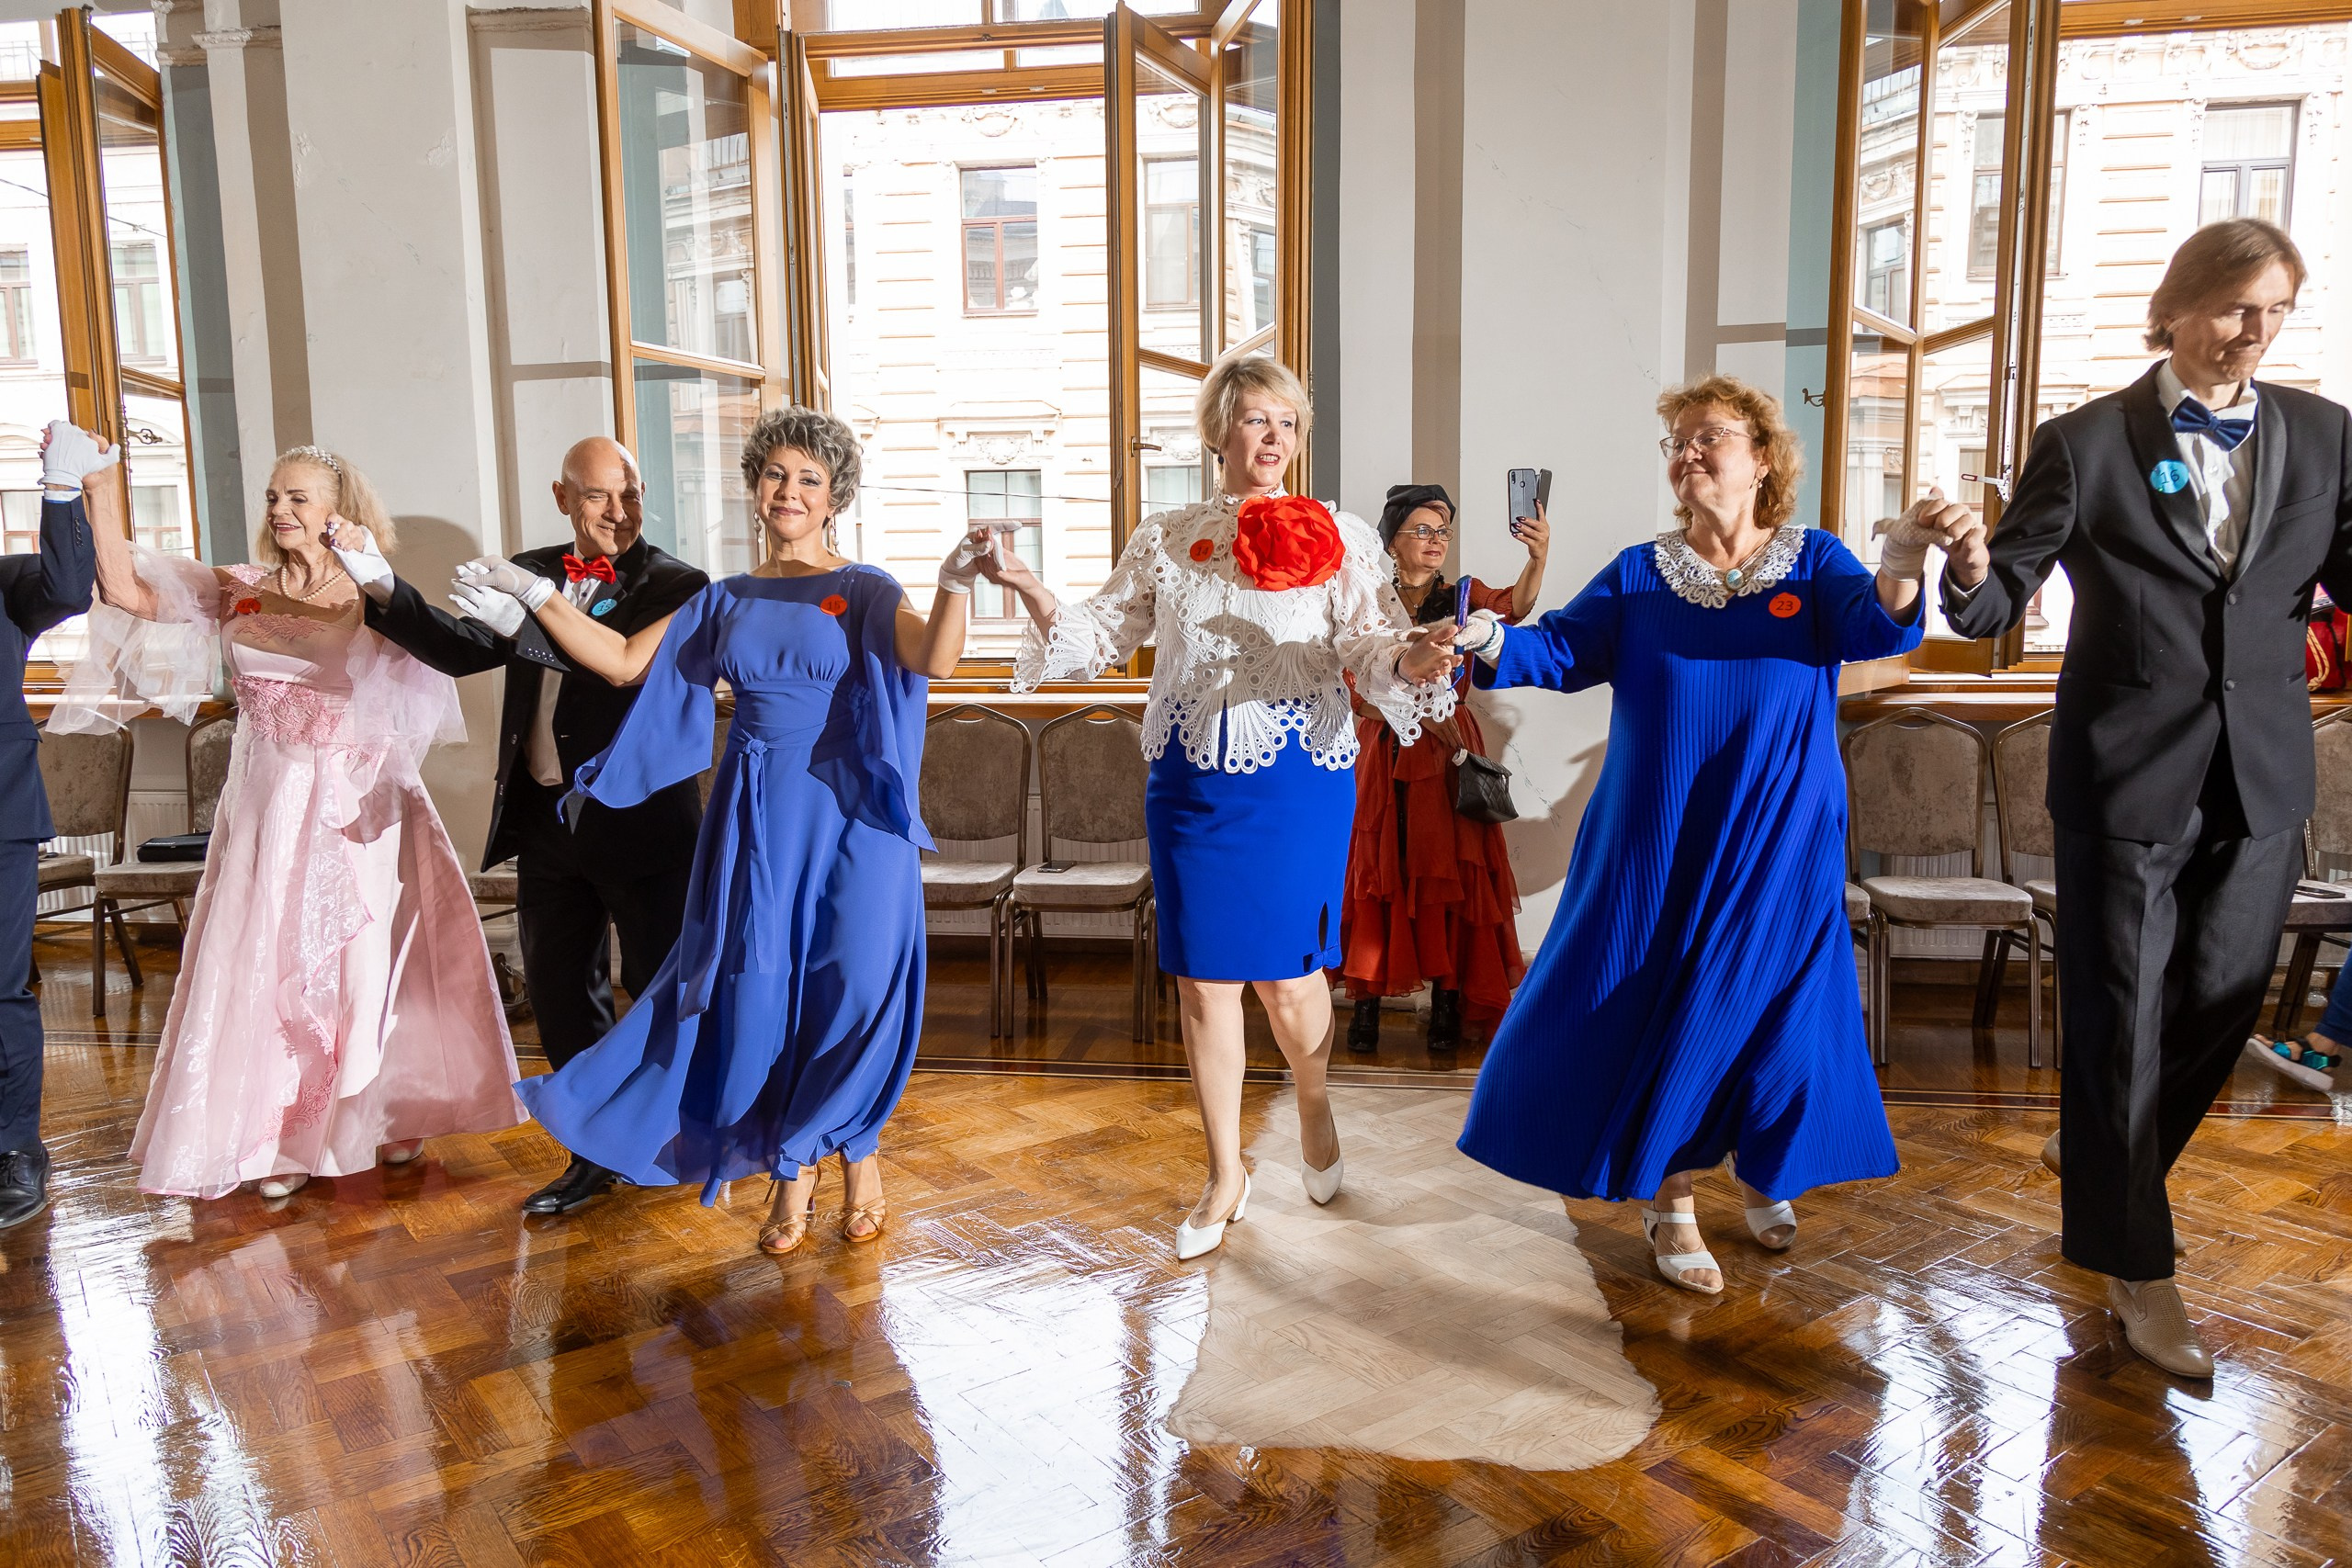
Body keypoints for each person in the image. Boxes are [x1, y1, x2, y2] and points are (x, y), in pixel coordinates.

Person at [1936, 218, 2352, 1378]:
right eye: (2233, 308)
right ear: (2173, 307)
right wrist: (1968, 562)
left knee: (2224, 1004)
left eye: (2273, 311)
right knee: (2117, 1021)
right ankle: (2139, 1267)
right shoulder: (2082, 442)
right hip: (2122, 778)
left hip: (2262, 774)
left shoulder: (2325, 437)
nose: (2253, 332)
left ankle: (2102, 1165)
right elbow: (1987, 611)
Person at [1449, 375, 1946, 1296]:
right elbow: (1556, 650)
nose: (1688, 451)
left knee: (1777, 1010)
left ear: (1763, 457)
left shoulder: (1815, 563)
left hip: (1781, 829)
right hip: (1657, 833)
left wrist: (1907, 557)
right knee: (1660, 1000)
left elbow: (1878, 623)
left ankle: (1767, 1169)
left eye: (1709, 434)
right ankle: (1670, 1201)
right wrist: (1482, 635)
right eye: (1676, 441)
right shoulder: (1642, 573)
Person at [460, 406, 974, 1256]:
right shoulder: (724, 599)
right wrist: (538, 597)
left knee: (852, 989)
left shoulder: (871, 588)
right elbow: (624, 661)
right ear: (753, 486)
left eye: (809, 477)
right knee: (762, 990)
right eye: (775, 473)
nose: (789, 490)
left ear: (835, 493)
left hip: (854, 822)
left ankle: (859, 1154)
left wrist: (955, 580)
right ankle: (788, 1166)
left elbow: (936, 660)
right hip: (760, 817)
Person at [981, 353, 1462, 1259]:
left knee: (1288, 980)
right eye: (1253, 419)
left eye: (1285, 420)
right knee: (1204, 982)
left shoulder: (1342, 534)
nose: (1272, 437)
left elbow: (1365, 644)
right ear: (1217, 432)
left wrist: (1409, 660)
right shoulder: (1165, 536)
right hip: (1193, 783)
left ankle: (1313, 1107)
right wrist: (1030, 586)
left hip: (1297, 778)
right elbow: (1100, 632)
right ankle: (1224, 1172)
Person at [52, 444, 525, 1201]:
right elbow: (124, 587)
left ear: (338, 509)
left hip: (354, 803)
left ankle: (379, 1112)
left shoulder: (371, 592)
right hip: (267, 804)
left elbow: (452, 653)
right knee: (269, 961)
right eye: (274, 496)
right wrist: (98, 483)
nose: (280, 510)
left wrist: (382, 582)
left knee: (363, 964)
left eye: (299, 497)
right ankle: (281, 1135)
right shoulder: (240, 586)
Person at [332, 436, 708, 1216]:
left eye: (631, 491)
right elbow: (458, 649)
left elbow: (618, 666)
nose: (620, 510)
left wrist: (533, 612)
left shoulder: (677, 580)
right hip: (546, 823)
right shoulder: (531, 567)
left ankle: (690, 1135)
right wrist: (377, 579)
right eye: (599, 495)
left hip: (643, 826)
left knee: (664, 989)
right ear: (562, 496)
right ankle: (591, 1154)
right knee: (564, 998)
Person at [1339, 483, 1545, 1054]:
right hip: (1382, 744)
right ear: (1393, 540)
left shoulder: (1463, 596)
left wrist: (1538, 556)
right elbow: (1352, 679)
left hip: (1446, 747)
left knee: (1450, 873)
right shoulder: (1367, 595)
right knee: (1381, 868)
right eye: (1424, 530)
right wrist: (1400, 706)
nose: (1437, 541)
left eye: (1443, 531)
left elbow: (1518, 608)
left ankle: (1449, 1002)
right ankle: (1368, 1003)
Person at [0, 423, 101, 1230]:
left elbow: (73, 586)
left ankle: (15, 1150)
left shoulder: (8, 585)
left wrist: (61, 488)